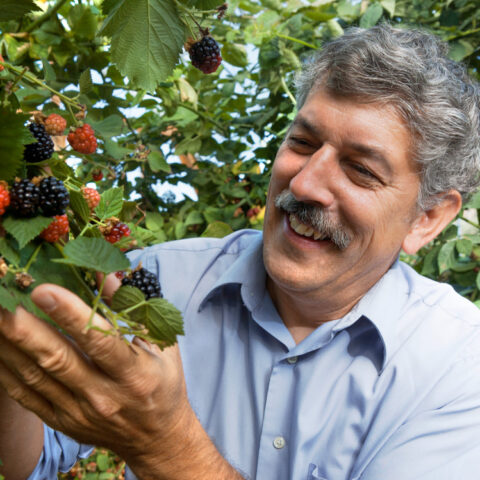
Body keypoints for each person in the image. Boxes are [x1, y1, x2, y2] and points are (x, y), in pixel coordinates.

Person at [1, 23, 480, 480]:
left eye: (360, 170)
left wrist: (162, 441)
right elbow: (35, 458)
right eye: (302, 142)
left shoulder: (457, 367)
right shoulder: (154, 280)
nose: (305, 182)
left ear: (428, 218)